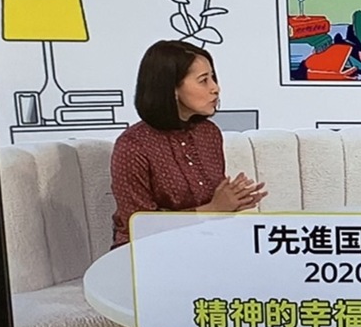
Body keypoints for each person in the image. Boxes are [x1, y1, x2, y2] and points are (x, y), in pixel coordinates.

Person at [110, 40, 266, 249]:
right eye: (203, 81)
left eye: (213, 78)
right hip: (146, 252)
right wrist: (214, 209)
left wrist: (232, 202)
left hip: (203, 244)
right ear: (172, 89)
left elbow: (214, 206)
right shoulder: (132, 146)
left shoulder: (209, 133)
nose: (215, 88)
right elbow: (139, 225)